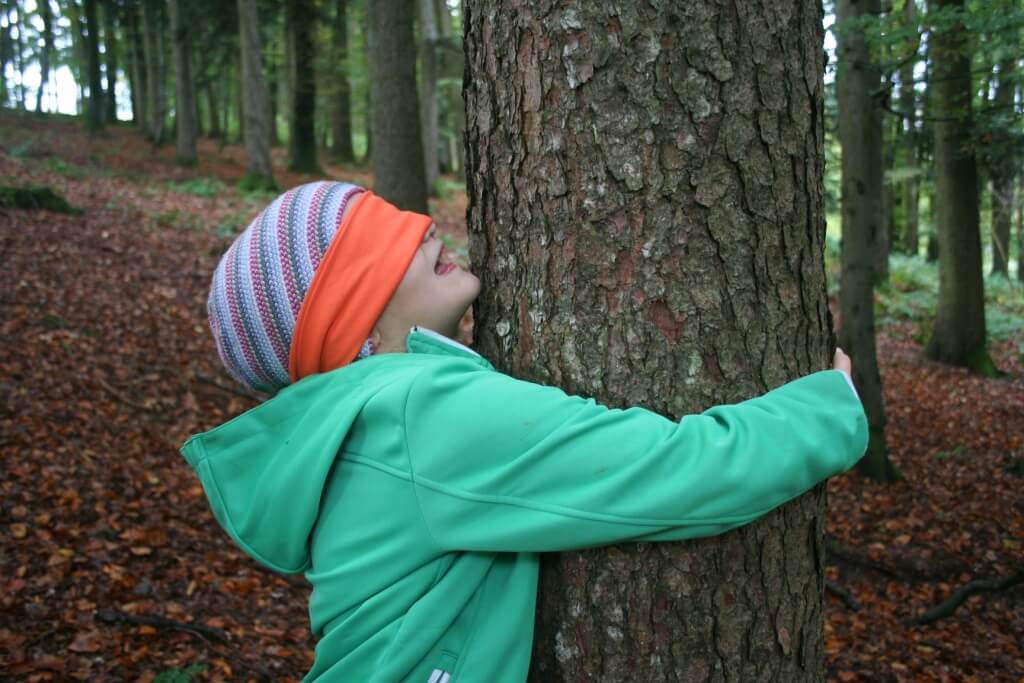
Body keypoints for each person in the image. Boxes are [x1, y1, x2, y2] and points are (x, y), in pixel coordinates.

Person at [181, 181, 867, 683]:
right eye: (385, 243)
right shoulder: (418, 413)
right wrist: (826, 409)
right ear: (352, 321)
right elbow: (673, 469)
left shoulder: (356, 425)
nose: (425, 229)